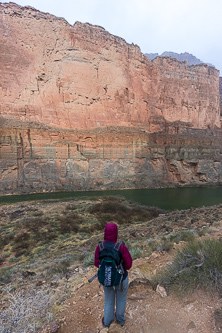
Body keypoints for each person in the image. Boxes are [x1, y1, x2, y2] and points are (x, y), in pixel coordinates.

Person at [94, 222, 132, 328]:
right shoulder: (121, 247)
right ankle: (120, 320)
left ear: (105, 233)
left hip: (106, 278)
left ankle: (107, 322)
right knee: (121, 298)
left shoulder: (100, 247)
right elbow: (129, 265)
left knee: (109, 300)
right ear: (116, 233)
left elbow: (97, 264)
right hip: (121, 278)